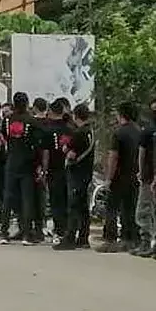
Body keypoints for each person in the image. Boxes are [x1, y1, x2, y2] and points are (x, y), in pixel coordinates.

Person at [96, 103, 141, 252]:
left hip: (119, 176)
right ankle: (130, 239)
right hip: (135, 175)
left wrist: (109, 178)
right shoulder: (139, 131)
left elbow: (113, 157)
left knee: (112, 208)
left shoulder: (118, 133)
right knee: (130, 208)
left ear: (121, 114)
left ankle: (110, 239)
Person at [0, 93, 41, 245]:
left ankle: (4, 232)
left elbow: (4, 136)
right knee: (27, 199)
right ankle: (26, 234)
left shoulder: (7, 120)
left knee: (8, 198)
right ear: (27, 103)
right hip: (27, 163)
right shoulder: (32, 121)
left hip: (11, 161)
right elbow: (37, 143)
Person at [133, 95, 156, 258]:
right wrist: (141, 171)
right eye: (154, 109)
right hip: (149, 175)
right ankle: (145, 241)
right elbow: (141, 153)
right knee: (144, 211)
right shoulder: (148, 130)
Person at [41, 99, 72, 247]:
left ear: (52, 112)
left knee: (55, 201)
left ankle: (59, 230)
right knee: (67, 200)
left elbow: (46, 153)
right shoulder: (70, 129)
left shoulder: (47, 130)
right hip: (69, 170)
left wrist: (44, 170)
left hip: (54, 170)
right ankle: (68, 229)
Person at [63, 104, 95, 249]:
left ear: (76, 116)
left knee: (74, 206)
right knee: (83, 207)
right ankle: (83, 237)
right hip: (86, 173)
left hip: (76, 173)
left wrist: (65, 149)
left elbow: (71, 154)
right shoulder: (90, 131)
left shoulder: (79, 133)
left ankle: (70, 237)